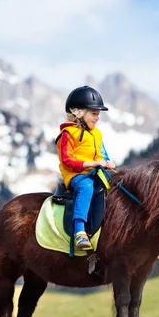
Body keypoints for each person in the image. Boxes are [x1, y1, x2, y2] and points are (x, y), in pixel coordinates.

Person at [55, 86, 116, 250]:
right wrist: (92, 164)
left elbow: (101, 153)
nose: (97, 118)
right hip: (77, 176)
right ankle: (79, 230)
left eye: (98, 114)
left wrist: (107, 162)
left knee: (118, 188)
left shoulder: (97, 134)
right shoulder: (67, 134)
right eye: (94, 113)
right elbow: (67, 160)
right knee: (86, 186)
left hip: (95, 172)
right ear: (79, 113)